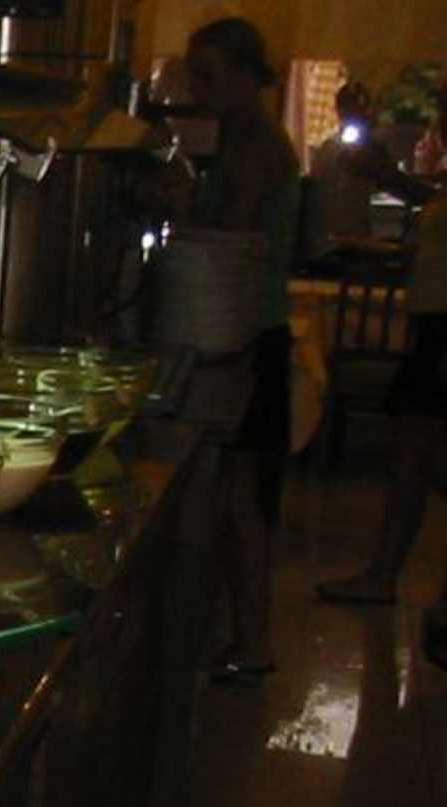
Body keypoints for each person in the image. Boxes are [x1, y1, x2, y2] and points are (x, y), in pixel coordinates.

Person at [185, 18, 302, 682]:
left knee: (242, 499)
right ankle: (240, 634)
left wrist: (178, 206)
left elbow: (227, 238)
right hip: (243, 331)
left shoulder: (258, 147)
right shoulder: (239, 138)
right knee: (235, 495)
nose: (198, 91)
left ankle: (254, 642)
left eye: (208, 76)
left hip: (253, 337)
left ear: (243, 75)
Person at [315, 185, 447, 670]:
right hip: (432, 327)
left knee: (420, 454)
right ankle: (384, 574)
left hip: (442, 330)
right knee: (411, 454)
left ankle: (389, 576)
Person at [306, 82, 432, 259]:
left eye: (359, 110)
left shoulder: (374, 147)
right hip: (331, 240)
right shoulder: (327, 150)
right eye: (348, 108)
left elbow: (390, 179)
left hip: (357, 237)